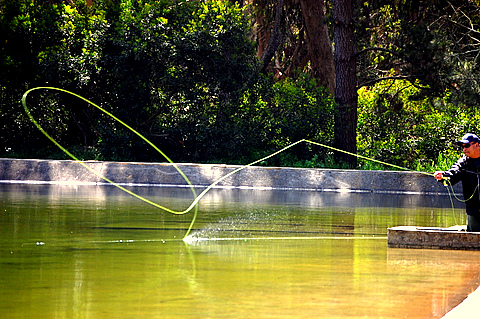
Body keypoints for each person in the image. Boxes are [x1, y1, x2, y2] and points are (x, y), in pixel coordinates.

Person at [434, 133, 480, 232]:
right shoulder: (463, 163)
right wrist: (443, 176)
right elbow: (453, 173)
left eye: (467, 146)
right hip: (473, 210)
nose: (464, 150)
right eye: (462, 147)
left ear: (476, 145)